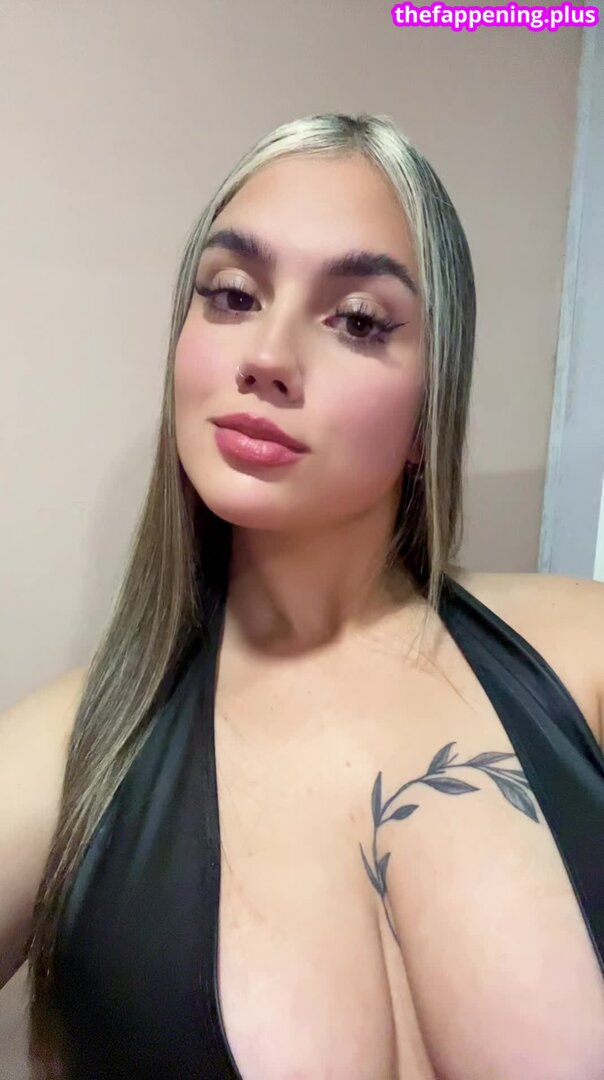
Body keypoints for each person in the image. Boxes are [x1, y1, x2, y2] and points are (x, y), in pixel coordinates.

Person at [1, 111, 603, 1080]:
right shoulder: (63, 760)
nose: (268, 356)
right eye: (232, 296)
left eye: (358, 319)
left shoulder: (584, 658)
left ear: (430, 411)